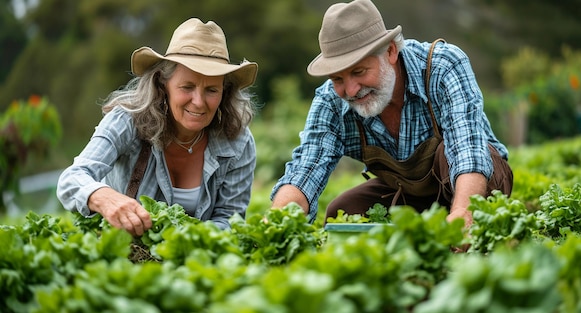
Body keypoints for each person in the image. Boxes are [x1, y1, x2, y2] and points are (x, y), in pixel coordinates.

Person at [270, 0, 513, 228]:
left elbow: (468, 150)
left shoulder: (443, 66)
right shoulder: (331, 101)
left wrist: (464, 213)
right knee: (342, 214)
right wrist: (277, 223)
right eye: (337, 78)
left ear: (391, 52)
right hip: (408, 195)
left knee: (447, 156)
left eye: (359, 71)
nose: (351, 90)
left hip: (477, 183)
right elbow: (306, 169)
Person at [57, 18, 258, 236]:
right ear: (163, 83)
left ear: (225, 92)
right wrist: (104, 197)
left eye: (211, 90)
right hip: (122, 255)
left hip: (194, 263)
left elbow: (230, 219)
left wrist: (185, 242)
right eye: (187, 87)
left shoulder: (238, 142)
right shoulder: (127, 120)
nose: (199, 102)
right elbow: (72, 179)